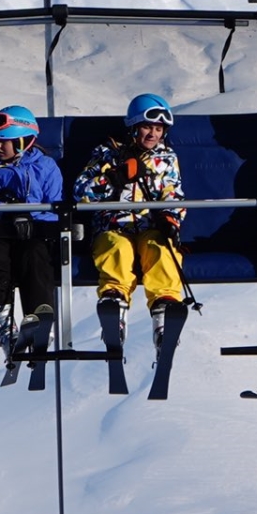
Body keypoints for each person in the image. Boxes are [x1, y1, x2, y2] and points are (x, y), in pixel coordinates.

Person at [73, 92, 188, 349]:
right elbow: (80, 192)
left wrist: (171, 217)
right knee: (116, 248)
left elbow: (174, 192)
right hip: (114, 224)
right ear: (133, 127)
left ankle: (165, 307)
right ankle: (115, 302)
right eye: (147, 127)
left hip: (151, 225)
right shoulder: (107, 153)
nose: (153, 134)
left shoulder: (166, 158)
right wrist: (113, 179)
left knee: (162, 249)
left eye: (159, 129)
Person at [0, 104, 65, 355]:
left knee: (34, 256)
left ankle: (39, 321)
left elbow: (54, 205)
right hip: (0, 229)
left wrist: (28, 214)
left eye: (5, 142)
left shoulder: (45, 167)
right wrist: (5, 210)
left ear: (23, 141)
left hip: (33, 232)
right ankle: (3, 323)